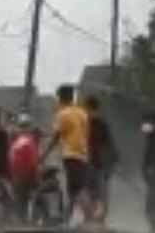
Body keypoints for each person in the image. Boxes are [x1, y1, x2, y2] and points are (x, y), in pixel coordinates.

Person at [48, 83, 91, 222]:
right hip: (83, 155)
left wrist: (43, 155)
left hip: (70, 155)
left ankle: (90, 218)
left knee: (78, 189)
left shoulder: (62, 114)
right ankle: (67, 218)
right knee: (73, 189)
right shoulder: (82, 113)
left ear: (61, 97)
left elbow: (56, 136)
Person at [83, 93, 118, 224]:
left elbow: (96, 144)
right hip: (100, 162)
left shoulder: (94, 122)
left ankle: (97, 220)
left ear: (88, 107)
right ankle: (95, 219)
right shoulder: (101, 122)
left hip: (97, 163)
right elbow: (110, 144)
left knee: (97, 192)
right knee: (97, 192)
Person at [8, 113, 41, 221]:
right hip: (21, 174)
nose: (23, 128)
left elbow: (33, 159)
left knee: (26, 199)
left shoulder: (25, 140)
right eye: (22, 126)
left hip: (25, 174)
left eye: (25, 126)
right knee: (23, 200)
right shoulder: (19, 140)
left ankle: (28, 220)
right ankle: (26, 221)